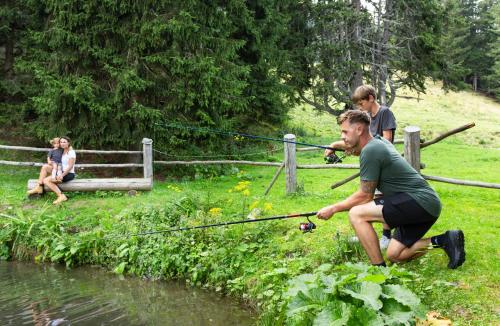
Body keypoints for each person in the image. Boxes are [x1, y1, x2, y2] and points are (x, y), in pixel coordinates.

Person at [317, 110, 465, 269]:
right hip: (427, 205)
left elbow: (364, 196)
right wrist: (334, 145)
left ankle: (378, 269)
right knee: (396, 255)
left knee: (356, 214)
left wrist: (333, 208)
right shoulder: (378, 142)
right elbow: (357, 148)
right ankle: (444, 241)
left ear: (359, 130)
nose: (342, 136)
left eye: (345, 131)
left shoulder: (371, 151)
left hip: (418, 201)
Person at [325, 85, 396, 249]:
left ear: (371, 98)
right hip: (373, 159)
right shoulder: (367, 117)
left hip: (382, 162)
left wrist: (350, 146)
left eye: (361, 103)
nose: (359, 107)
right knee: (371, 200)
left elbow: (386, 140)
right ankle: (366, 234)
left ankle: (386, 237)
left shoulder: (385, 113)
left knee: (380, 199)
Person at [27, 136, 76, 204]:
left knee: (46, 180)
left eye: (64, 142)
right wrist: (51, 163)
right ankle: (39, 187)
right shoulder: (62, 150)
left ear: (68, 143)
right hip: (59, 170)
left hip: (68, 173)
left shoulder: (71, 152)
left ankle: (61, 196)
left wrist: (62, 175)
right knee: (45, 167)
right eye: (61, 142)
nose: (62, 143)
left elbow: (70, 166)